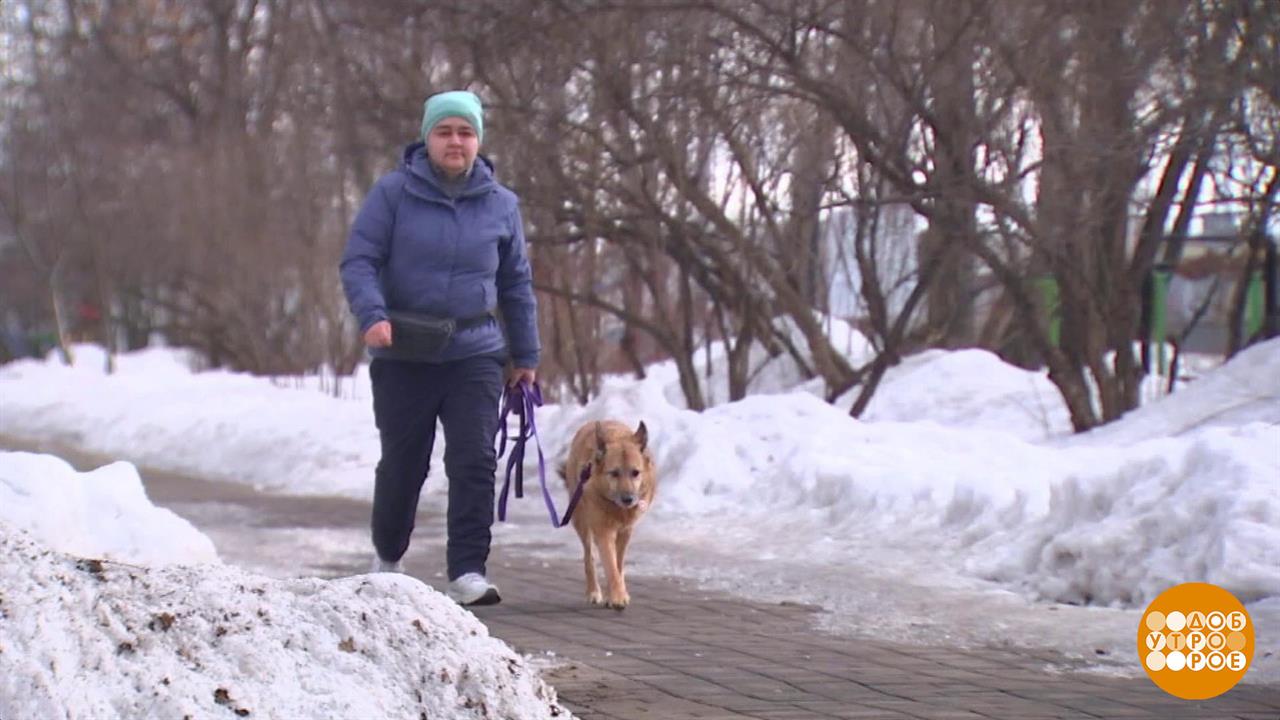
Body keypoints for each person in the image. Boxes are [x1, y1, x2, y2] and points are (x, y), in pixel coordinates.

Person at [340, 90, 540, 606]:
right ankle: (388, 556)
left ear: (478, 140)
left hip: (475, 351)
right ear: (427, 138)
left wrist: (526, 355)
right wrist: (373, 315)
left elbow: (516, 283)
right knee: (404, 463)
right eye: (445, 131)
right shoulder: (393, 193)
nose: (456, 141)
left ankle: (468, 570)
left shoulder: (502, 204)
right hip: (403, 351)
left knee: (475, 459)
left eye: (466, 132)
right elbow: (359, 260)